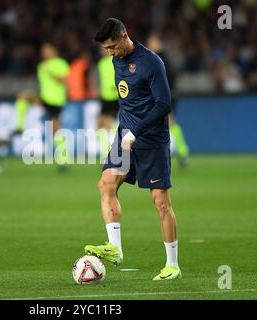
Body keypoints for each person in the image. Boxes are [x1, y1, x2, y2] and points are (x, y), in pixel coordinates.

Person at [84, 18, 181, 280]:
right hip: (124, 136)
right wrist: (125, 131)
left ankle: (172, 264)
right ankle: (115, 249)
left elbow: (163, 104)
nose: (110, 52)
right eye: (106, 49)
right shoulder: (116, 60)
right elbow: (129, 100)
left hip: (151, 140)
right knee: (106, 183)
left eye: (113, 46)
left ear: (125, 36)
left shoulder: (151, 62)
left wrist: (136, 132)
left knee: (160, 202)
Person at [146, 32, 189, 167]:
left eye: (152, 42)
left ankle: (181, 151)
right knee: (166, 123)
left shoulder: (158, 58)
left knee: (167, 122)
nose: (149, 45)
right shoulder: (163, 57)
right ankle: (180, 151)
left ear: (159, 43)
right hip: (165, 94)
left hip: (163, 96)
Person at [37, 43, 70, 168]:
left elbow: (64, 81)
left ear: (54, 51)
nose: (45, 53)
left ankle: (63, 157)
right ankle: (19, 126)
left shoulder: (60, 63)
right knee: (23, 97)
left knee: (55, 128)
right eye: (43, 51)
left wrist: (51, 74)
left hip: (56, 100)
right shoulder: (41, 66)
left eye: (47, 50)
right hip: (44, 99)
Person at [96, 46, 119, 159]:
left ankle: (112, 152)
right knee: (100, 125)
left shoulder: (117, 60)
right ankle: (107, 153)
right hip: (105, 97)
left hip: (115, 96)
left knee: (108, 123)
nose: (102, 51)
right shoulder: (101, 63)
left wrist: (118, 86)